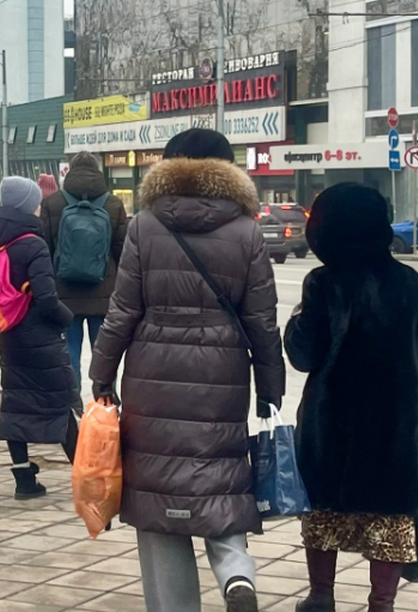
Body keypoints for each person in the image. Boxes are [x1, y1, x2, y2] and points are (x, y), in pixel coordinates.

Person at [88, 128, 285, 612]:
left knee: (159, 494)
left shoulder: (146, 225)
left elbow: (122, 310)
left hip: (151, 373)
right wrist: (270, 386)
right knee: (218, 478)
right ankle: (236, 575)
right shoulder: (245, 229)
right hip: (222, 374)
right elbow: (262, 319)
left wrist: (101, 373)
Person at [285, 183, 418, 612]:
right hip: (397, 423)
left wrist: (294, 322)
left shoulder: (323, 283)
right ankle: (382, 604)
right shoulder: (409, 282)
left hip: (332, 421)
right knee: (390, 517)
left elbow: (304, 353)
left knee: (324, 512)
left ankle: (321, 596)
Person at [0, 176, 79, 499]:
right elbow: (46, 298)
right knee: (61, 400)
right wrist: (66, 318)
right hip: (40, 336)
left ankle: (24, 481)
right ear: (27, 205)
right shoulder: (32, 244)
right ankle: (85, 477)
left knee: (16, 404)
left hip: (9, 333)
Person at [39, 152, 128, 411]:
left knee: (69, 350)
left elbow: (45, 248)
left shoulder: (53, 203)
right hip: (104, 291)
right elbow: (122, 251)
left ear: (70, 172)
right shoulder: (113, 204)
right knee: (105, 352)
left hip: (64, 292)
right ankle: (105, 400)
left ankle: (72, 403)